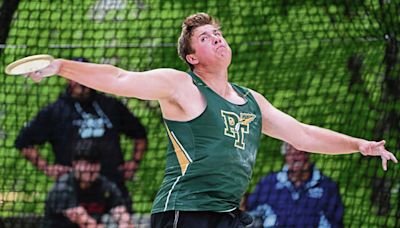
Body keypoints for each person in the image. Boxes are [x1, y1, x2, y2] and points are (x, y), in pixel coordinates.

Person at [25, 13, 397, 228]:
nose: (217, 38)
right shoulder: (182, 86)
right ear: (191, 56)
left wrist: (358, 144)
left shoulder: (251, 100)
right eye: (206, 37)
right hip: (183, 214)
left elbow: (302, 135)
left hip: (226, 214)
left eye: (218, 33)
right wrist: (60, 67)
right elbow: (120, 78)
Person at [15, 57, 147, 213]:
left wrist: (134, 162)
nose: (81, 84)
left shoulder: (110, 105)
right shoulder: (56, 111)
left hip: (111, 186)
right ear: (69, 79)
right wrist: (47, 168)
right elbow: (23, 143)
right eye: (76, 78)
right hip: (73, 189)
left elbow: (140, 135)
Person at [246, 142, 344, 227]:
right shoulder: (267, 184)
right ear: (285, 156)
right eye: (290, 153)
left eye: (299, 153)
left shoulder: (327, 187)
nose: (295, 158)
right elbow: (251, 216)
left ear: (307, 154)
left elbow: (335, 222)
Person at [42, 139, 133, 227]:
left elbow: (123, 217)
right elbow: (87, 224)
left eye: (94, 164)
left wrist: (124, 224)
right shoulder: (62, 189)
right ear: (75, 164)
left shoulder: (105, 186)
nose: (90, 169)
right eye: (86, 164)